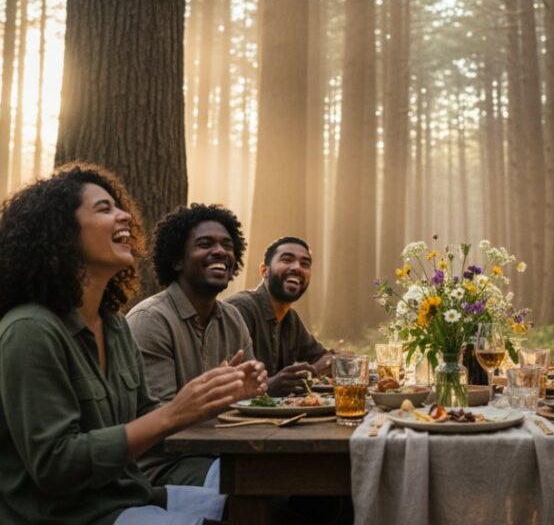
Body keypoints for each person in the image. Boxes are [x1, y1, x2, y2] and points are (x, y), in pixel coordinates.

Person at [0, 163, 266, 525]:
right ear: (62, 232)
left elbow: (145, 415)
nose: (125, 215)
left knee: (258, 503)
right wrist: (176, 412)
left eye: (119, 206)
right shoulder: (30, 330)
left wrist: (208, 397)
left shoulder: (114, 326)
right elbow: (55, 465)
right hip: (69, 515)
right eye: (104, 209)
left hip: (128, 497)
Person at [127, 203, 256, 487]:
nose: (221, 251)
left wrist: (254, 392)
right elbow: (159, 421)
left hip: (223, 453)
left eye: (227, 245)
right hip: (162, 468)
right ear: (177, 260)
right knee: (270, 488)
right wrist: (218, 398)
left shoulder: (233, 318)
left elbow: (250, 402)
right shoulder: (151, 320)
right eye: (205, 244)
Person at [225, 236, 334, 396]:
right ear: (264, 270)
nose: (297, 268)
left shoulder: (291, 319)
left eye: (305, 264)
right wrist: (271, 385)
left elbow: (324, 357)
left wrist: (316, 370)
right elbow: (229, 383)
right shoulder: (240, 309)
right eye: (287, 260)